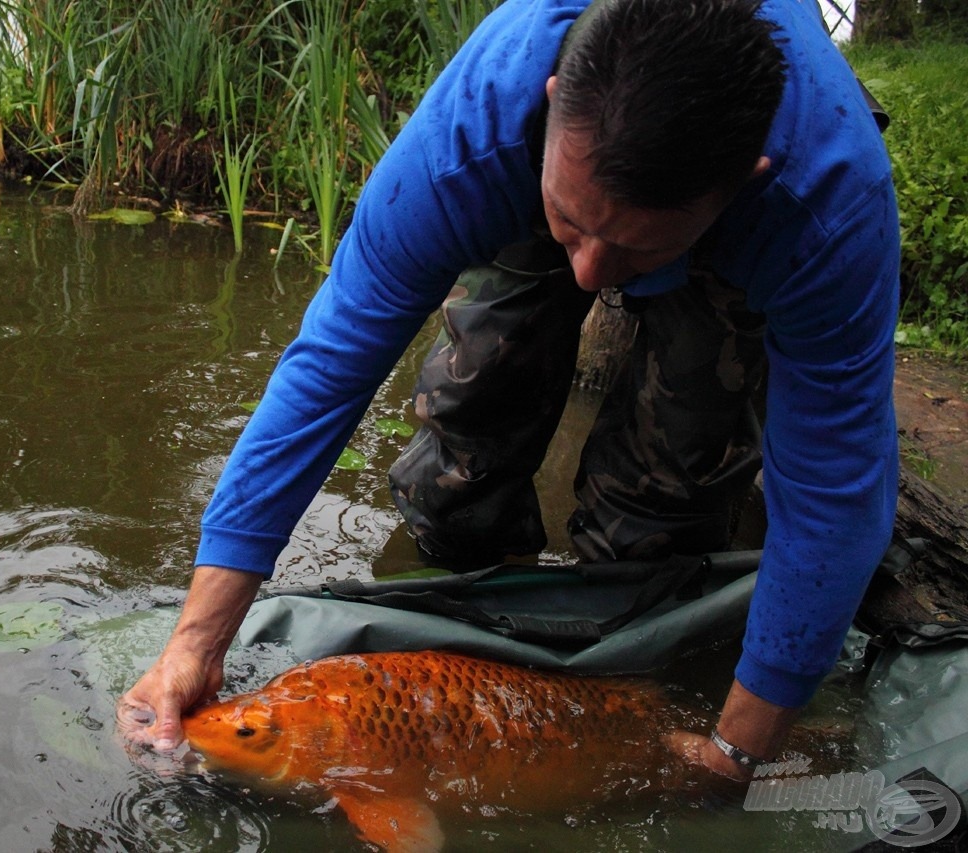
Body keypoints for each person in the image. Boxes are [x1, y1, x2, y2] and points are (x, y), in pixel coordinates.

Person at [120, 0, 899, 781]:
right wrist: (195, 643)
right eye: (573, 224)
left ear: (746, 185)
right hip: (524, 167)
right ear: (556, 98)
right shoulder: (470, 137)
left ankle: (629, 686)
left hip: (740, 224)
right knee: (461, 451)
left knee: (668, 508)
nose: (588, 274)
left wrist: (738, 753)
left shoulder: (826, 210)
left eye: (629, 248)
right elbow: (327, 369)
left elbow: (835, 490)